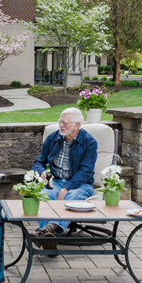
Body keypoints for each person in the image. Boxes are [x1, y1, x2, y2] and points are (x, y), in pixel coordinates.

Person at [29, 107, 97, 250]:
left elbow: (86, 171)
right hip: (56, 181)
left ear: (77, 125)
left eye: (65, 123)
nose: (61, 125)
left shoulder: (89, 142)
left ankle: (46, 231)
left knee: (72, 196)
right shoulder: (53, 138)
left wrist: (67, 188)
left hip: (80, 184)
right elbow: (38, 162)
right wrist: (42, 172)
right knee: (45, 194)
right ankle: (48, 236)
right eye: (60, 121)